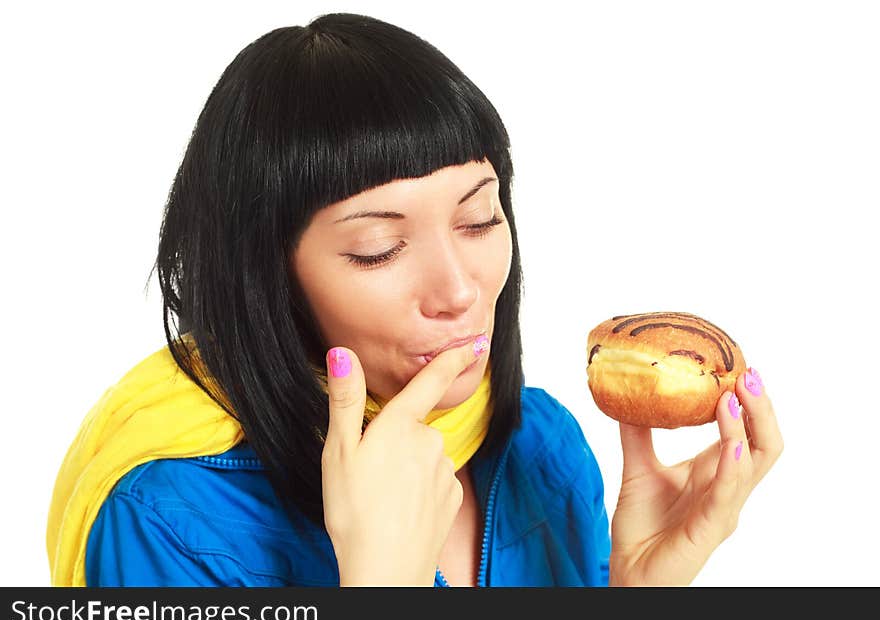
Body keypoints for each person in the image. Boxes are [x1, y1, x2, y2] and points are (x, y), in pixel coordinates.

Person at [46, 12, 783, 587]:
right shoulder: (164, 518)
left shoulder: (542, 447)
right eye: (378, 249)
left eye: (479, 218)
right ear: (267, 278)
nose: (460, 289)